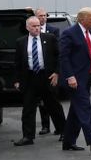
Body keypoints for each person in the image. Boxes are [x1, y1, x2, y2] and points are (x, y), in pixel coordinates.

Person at [60, 7, 91, 154]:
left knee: (76, 110)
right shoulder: (69, 33)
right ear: (82, 19)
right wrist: (70, 76)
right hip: (75, 79)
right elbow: (64, 57)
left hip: (88, 77)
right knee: (85, 108)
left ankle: (68, 142)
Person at [12, 16, 66, 146]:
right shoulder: (21, 42)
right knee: (28, 108)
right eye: (34, 26)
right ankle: (27, 137)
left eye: (38, 26)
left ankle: (64, 131)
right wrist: (17, 80)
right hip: (30, 78)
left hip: (47, 77)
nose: (37, 28)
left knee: (53, 105)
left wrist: (57, 73)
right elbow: (17, 63)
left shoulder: (49, 38)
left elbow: (59, 56)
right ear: (27, 27)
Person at [35, 8, 61, 136]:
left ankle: (58, 126)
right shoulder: (32, 31)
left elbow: (58, 52)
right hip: (38, 72)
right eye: (40, 15)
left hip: (50, 72)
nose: (43, 18)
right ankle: (45, 126)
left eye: (44, 15)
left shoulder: (54, 31)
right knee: (42, 102)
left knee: (53, 101)